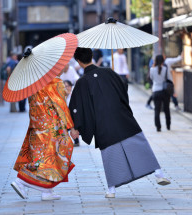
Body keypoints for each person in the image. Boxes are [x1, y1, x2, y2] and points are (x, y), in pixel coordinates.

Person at [69, 48, 170, 198]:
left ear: (78, 61)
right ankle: (159, 173)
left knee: (110, 154)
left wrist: (76, 127)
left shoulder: (82, 82)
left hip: (102, 121)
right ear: (91, 56)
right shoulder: (109, 72)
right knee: (137, 143)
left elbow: (78, 106)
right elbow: (124, 88)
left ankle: (111, 189)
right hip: (121, 115)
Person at [11, 73, 75, 201]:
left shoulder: (33, 81)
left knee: (39, 155)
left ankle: (47, 191)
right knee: (52, 156)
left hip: (37, 123)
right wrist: (70, 126)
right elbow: (61, 106)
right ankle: (21, 181)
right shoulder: (54, 81)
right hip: (51, 126)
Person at [150, 55, 172, 132]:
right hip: (164, 91)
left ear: (155, 61)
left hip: (156, 91)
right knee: (166, 109)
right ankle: (168, 125)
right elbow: (169, 79)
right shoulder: (165, 69)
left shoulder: (152, 69)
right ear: (163, 61)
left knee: (157, 110)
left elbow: (151, 78)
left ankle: (158, 127)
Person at [63, 80, 79, 147]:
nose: (66, 88)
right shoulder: (63, 94)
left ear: (70, 86)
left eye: (67, 86)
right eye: (65, 86)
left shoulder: (74, 93)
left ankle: (76, 140)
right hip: (66, 114)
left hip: (73, 113)